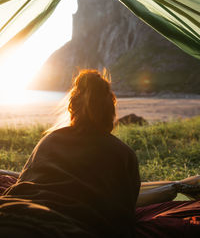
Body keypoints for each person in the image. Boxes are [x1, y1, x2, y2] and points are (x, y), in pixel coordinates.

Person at [0, 69, 199, 237]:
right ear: (110, 112)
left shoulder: (49, 140)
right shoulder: (123, 154)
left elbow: (22, 184)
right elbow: (123, 214)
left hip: (12, 214)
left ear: (72, 109)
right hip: (66, 228)